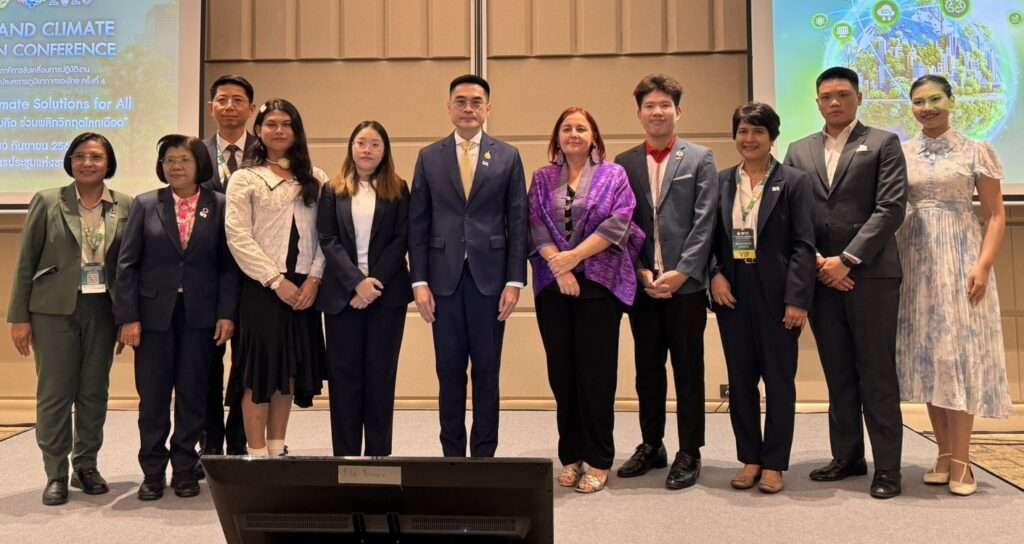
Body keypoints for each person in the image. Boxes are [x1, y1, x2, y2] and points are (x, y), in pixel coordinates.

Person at [783, 66, 908, 499]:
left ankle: (887, 468)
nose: (834, 102)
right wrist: (820, 262)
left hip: (870, 277)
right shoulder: (799, 150)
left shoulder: (883, 143)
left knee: (877, 374)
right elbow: (792, 212)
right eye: (826, 96)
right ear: (817, 102)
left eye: (842, 94)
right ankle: (848, 456)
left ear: (859, 97)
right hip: (821, 278)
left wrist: (848, 260)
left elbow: (891, 207)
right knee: (838, 373)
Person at [896, 74, 1013, 496]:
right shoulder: (901, 152)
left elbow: (996, 214)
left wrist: (983, 264)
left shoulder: (976, 149)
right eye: (919, 101)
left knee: (958, 356)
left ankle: (963, 461)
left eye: (935, 99)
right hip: (916, 261)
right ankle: (943, 453)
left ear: (951, 100)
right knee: (932, 358)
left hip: (962, 259)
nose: (927, 108)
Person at [7, 132, 132, 506]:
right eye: (80, 156)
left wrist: (128, 317)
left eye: (96, 157)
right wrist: (19, 317)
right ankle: (56, 473)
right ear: (70, 161)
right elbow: (26, 261)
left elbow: (129, 268)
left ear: (108, 163)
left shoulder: (124, 205)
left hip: (103, 310)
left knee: (94, 391)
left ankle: (86, 465)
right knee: (55, 394)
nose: (87, 163)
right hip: (52, 310)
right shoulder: (48, 201)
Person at [408, 74, 528, 458]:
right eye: (460, 101)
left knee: (487, 371)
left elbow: (518, 222)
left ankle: (484, 457)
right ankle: (452, 457)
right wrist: (418, 281)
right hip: (442, 281)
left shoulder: (508, 156)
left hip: (490, 281)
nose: (468, 109)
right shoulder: (429, 157)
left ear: (487, 109)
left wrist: (515, 281)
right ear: (449, 108)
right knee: (448, 371)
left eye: (476, 102)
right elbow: (418, 223)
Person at [114, 135, 240, 500]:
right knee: (153, 398)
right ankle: (153, 472)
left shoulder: (219, 204)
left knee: (193, 394)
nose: (176, 166)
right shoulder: (145, 204)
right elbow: (127, 265)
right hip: (153, 317)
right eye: (169, 160)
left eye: (184, 159)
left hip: (201, 315)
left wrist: (227, 313)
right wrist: (128, 317)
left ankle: (185, 468)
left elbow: (228, 266)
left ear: (199, 164)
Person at [529, 107, 644, 493]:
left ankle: (598, 458)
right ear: (557, 137)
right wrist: (560, 268)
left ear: (594, 136)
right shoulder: (542, 178)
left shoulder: (614, 175)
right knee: (562, 375)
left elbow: (619, 222)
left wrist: (575, 257)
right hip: (554, 287)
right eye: (567, 128)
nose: (574, 134)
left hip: (598, 285)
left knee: (596, 375)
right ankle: (571, 455)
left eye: (581, 128)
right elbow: (535, 225)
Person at [614, 73, 719, 489]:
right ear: (639, 113)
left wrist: (683, 272)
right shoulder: (624, 162)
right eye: (649, 106)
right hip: (643, 285)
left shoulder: (700, 158)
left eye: (665, 106)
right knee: (647, 371)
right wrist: (640, 269)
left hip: (685, 287)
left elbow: (705, 221)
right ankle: (651, 443)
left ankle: (689, 450)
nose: (657, 112)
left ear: (678, 111)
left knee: (688, 371)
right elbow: (621, 223)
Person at [709, 103, 816, 494]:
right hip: (732, 292)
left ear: (772, 137)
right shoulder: (721, 181)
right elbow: (709, 238)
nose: (749, 139)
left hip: (778, 294)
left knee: (778, 381)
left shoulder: (794, 182)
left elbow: (804, 244)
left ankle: (774, 463)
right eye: (742, 131)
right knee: (740, 382)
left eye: (757, 131)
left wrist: (797, 299)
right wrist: (714, 275)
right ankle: (750, 458)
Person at [224, 98, 328, 458]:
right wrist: (274, 280)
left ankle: (276, 448)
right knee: (260, 375)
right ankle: (256, 456)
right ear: (259, 130)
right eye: (271, 124)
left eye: (286, 124)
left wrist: (314, 279)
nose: (279, 130)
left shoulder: (316, 177)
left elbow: (327, 236)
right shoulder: (245, 178)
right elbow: (238, 236)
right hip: (262, 288)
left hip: (304, 289)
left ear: (296, 131)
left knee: (288, 373)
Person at [318, 121, 412, 456]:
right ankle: (344, 458)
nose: (367, 150)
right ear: (351, 147)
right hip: (342, 298)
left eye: (375, 144)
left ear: (385, 150)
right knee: (343, 380)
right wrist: (356, 283)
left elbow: (402, 239)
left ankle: (378, 458)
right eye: (361, 143)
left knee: (380, 379)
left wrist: (374, 284)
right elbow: (327, 239)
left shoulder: (398, 188)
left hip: (386, 298)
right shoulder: (332, 189)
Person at [201, 74, 258, 457]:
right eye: (223, 99)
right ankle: (210, 444)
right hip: (208, 275)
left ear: (251, 108)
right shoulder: (195, 153)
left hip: (253, 275)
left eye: (238, 100)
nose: (230, 106)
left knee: (247, 364)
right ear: (211, 107)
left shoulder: (266, 151)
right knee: (206, 364)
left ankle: (239, 442)